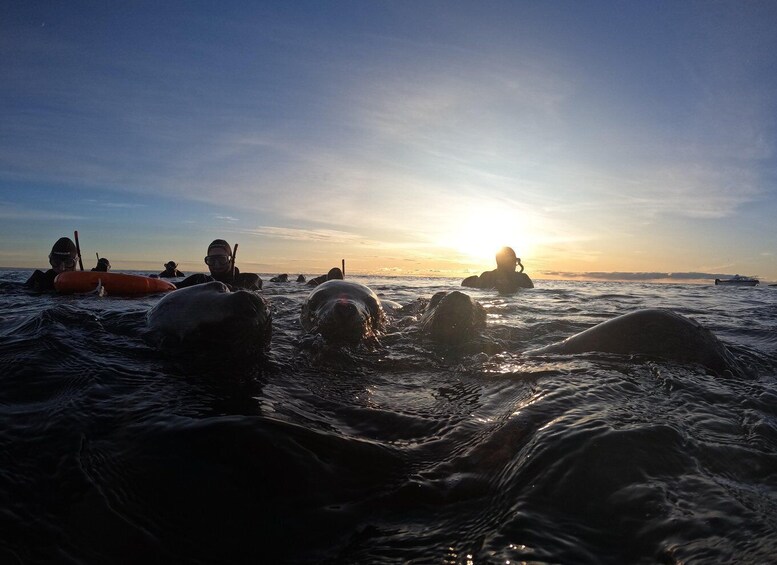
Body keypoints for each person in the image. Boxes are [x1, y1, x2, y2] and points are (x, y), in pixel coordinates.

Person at [175, 239, 262, 290]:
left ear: (231, 259)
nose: (217, 264)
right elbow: (170, 288)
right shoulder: (199, 281)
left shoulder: (249, 280)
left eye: (222, 259)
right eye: (211, 260)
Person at [461, 246, 534, 293]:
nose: (515, 264)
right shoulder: (523, 278)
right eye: (512, 261)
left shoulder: (486, 276)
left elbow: (465, 285)